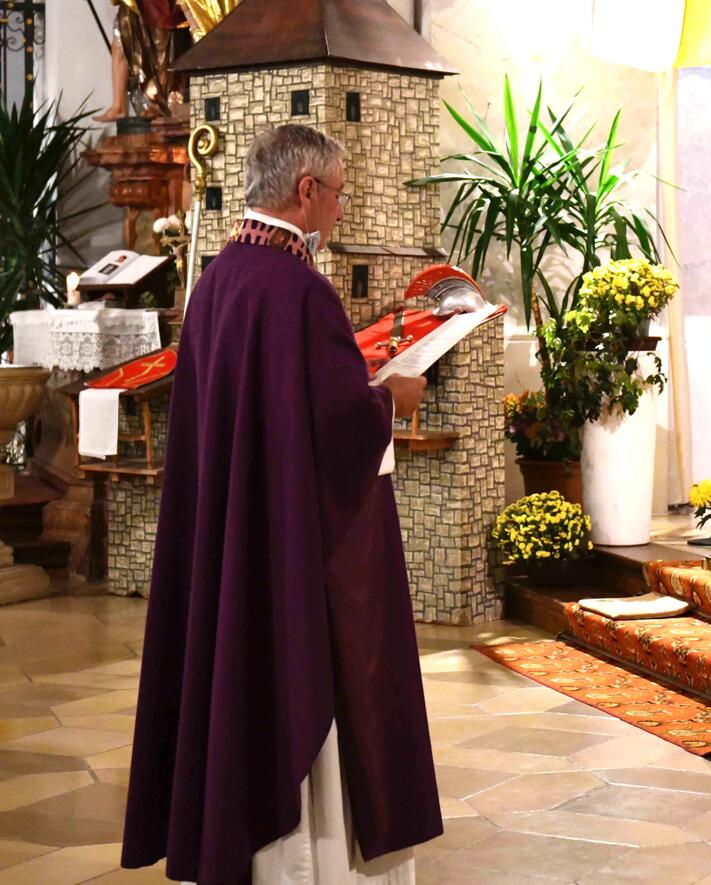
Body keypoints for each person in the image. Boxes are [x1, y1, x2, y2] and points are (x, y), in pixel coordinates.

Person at [121, 124, 442, 883]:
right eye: (336, 193)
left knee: (239, 678)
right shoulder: (300, 289)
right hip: (289, 553)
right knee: (297, 682)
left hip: (236, 541)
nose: (339, 210)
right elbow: (335, 427)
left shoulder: (218, 281)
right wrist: (390, 397)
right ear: (306, 192)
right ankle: (305, 863)